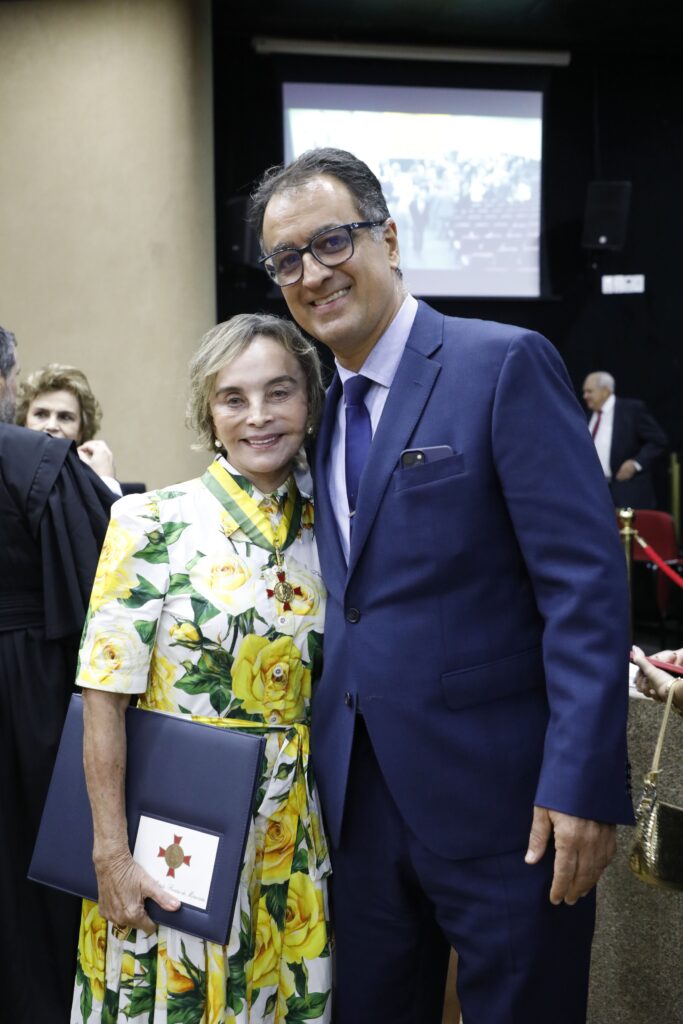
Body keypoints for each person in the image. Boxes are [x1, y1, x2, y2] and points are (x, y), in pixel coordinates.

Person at [250, 148, 634, 1024]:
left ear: (387, 237)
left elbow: (583, 589)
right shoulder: (316, 413)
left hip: (509, 809)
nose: (312, 273)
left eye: (331, 241)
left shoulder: (499, 364)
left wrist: (580, 784)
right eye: (286, 260)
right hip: (359, 811)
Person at [70, 313, 332, 1024]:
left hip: (296, 834)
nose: (257, 417)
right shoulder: (149, 522)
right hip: (173, 832)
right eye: (232, 398)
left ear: (309, 400)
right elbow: (102, 700)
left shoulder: (336, 530)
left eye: (278, 393)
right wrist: (110, 856)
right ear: (206, 413)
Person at [0, 325, 114, 1022]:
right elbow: (97, 598)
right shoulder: (36, 464)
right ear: (6, 383)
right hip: (29, 698)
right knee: (39, 891)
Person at [16, 362, 117, 481]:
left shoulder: (96, 477)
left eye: (65, 417)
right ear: (24, 422)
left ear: (82, 430)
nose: (51, 426)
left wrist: (104, 482)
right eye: (41, 414)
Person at [582, 370, 668, 509]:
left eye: (589, 391)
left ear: (605, 391)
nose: (585, 396)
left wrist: (636, 463)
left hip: (627, 492)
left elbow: (659, 441)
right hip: (593, 493)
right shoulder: (586, 416)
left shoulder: (631, 410)